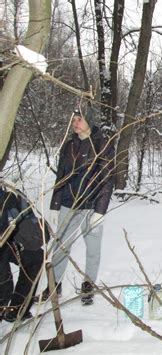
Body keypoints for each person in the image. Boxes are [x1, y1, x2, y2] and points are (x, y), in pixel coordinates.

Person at [34, 107, 115, 305]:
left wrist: (100, 210)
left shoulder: (101, 144)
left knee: (93, 249)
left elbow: (107, 179)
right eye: (74, 120)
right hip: (68, 205)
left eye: (80, 119)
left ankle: (88, 285)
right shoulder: (69, 145)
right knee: (61, 248)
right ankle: (55, 286)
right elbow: (61, 176)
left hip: (91, 206)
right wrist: (55, 205)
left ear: (89, 120)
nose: (76, 123)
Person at [0, 183, 48, 322]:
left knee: (35, 258)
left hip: (8, 240)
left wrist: (15, 204)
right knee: (4, 285)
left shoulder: (8, 191)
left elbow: (28, 220)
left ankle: (17, 309)